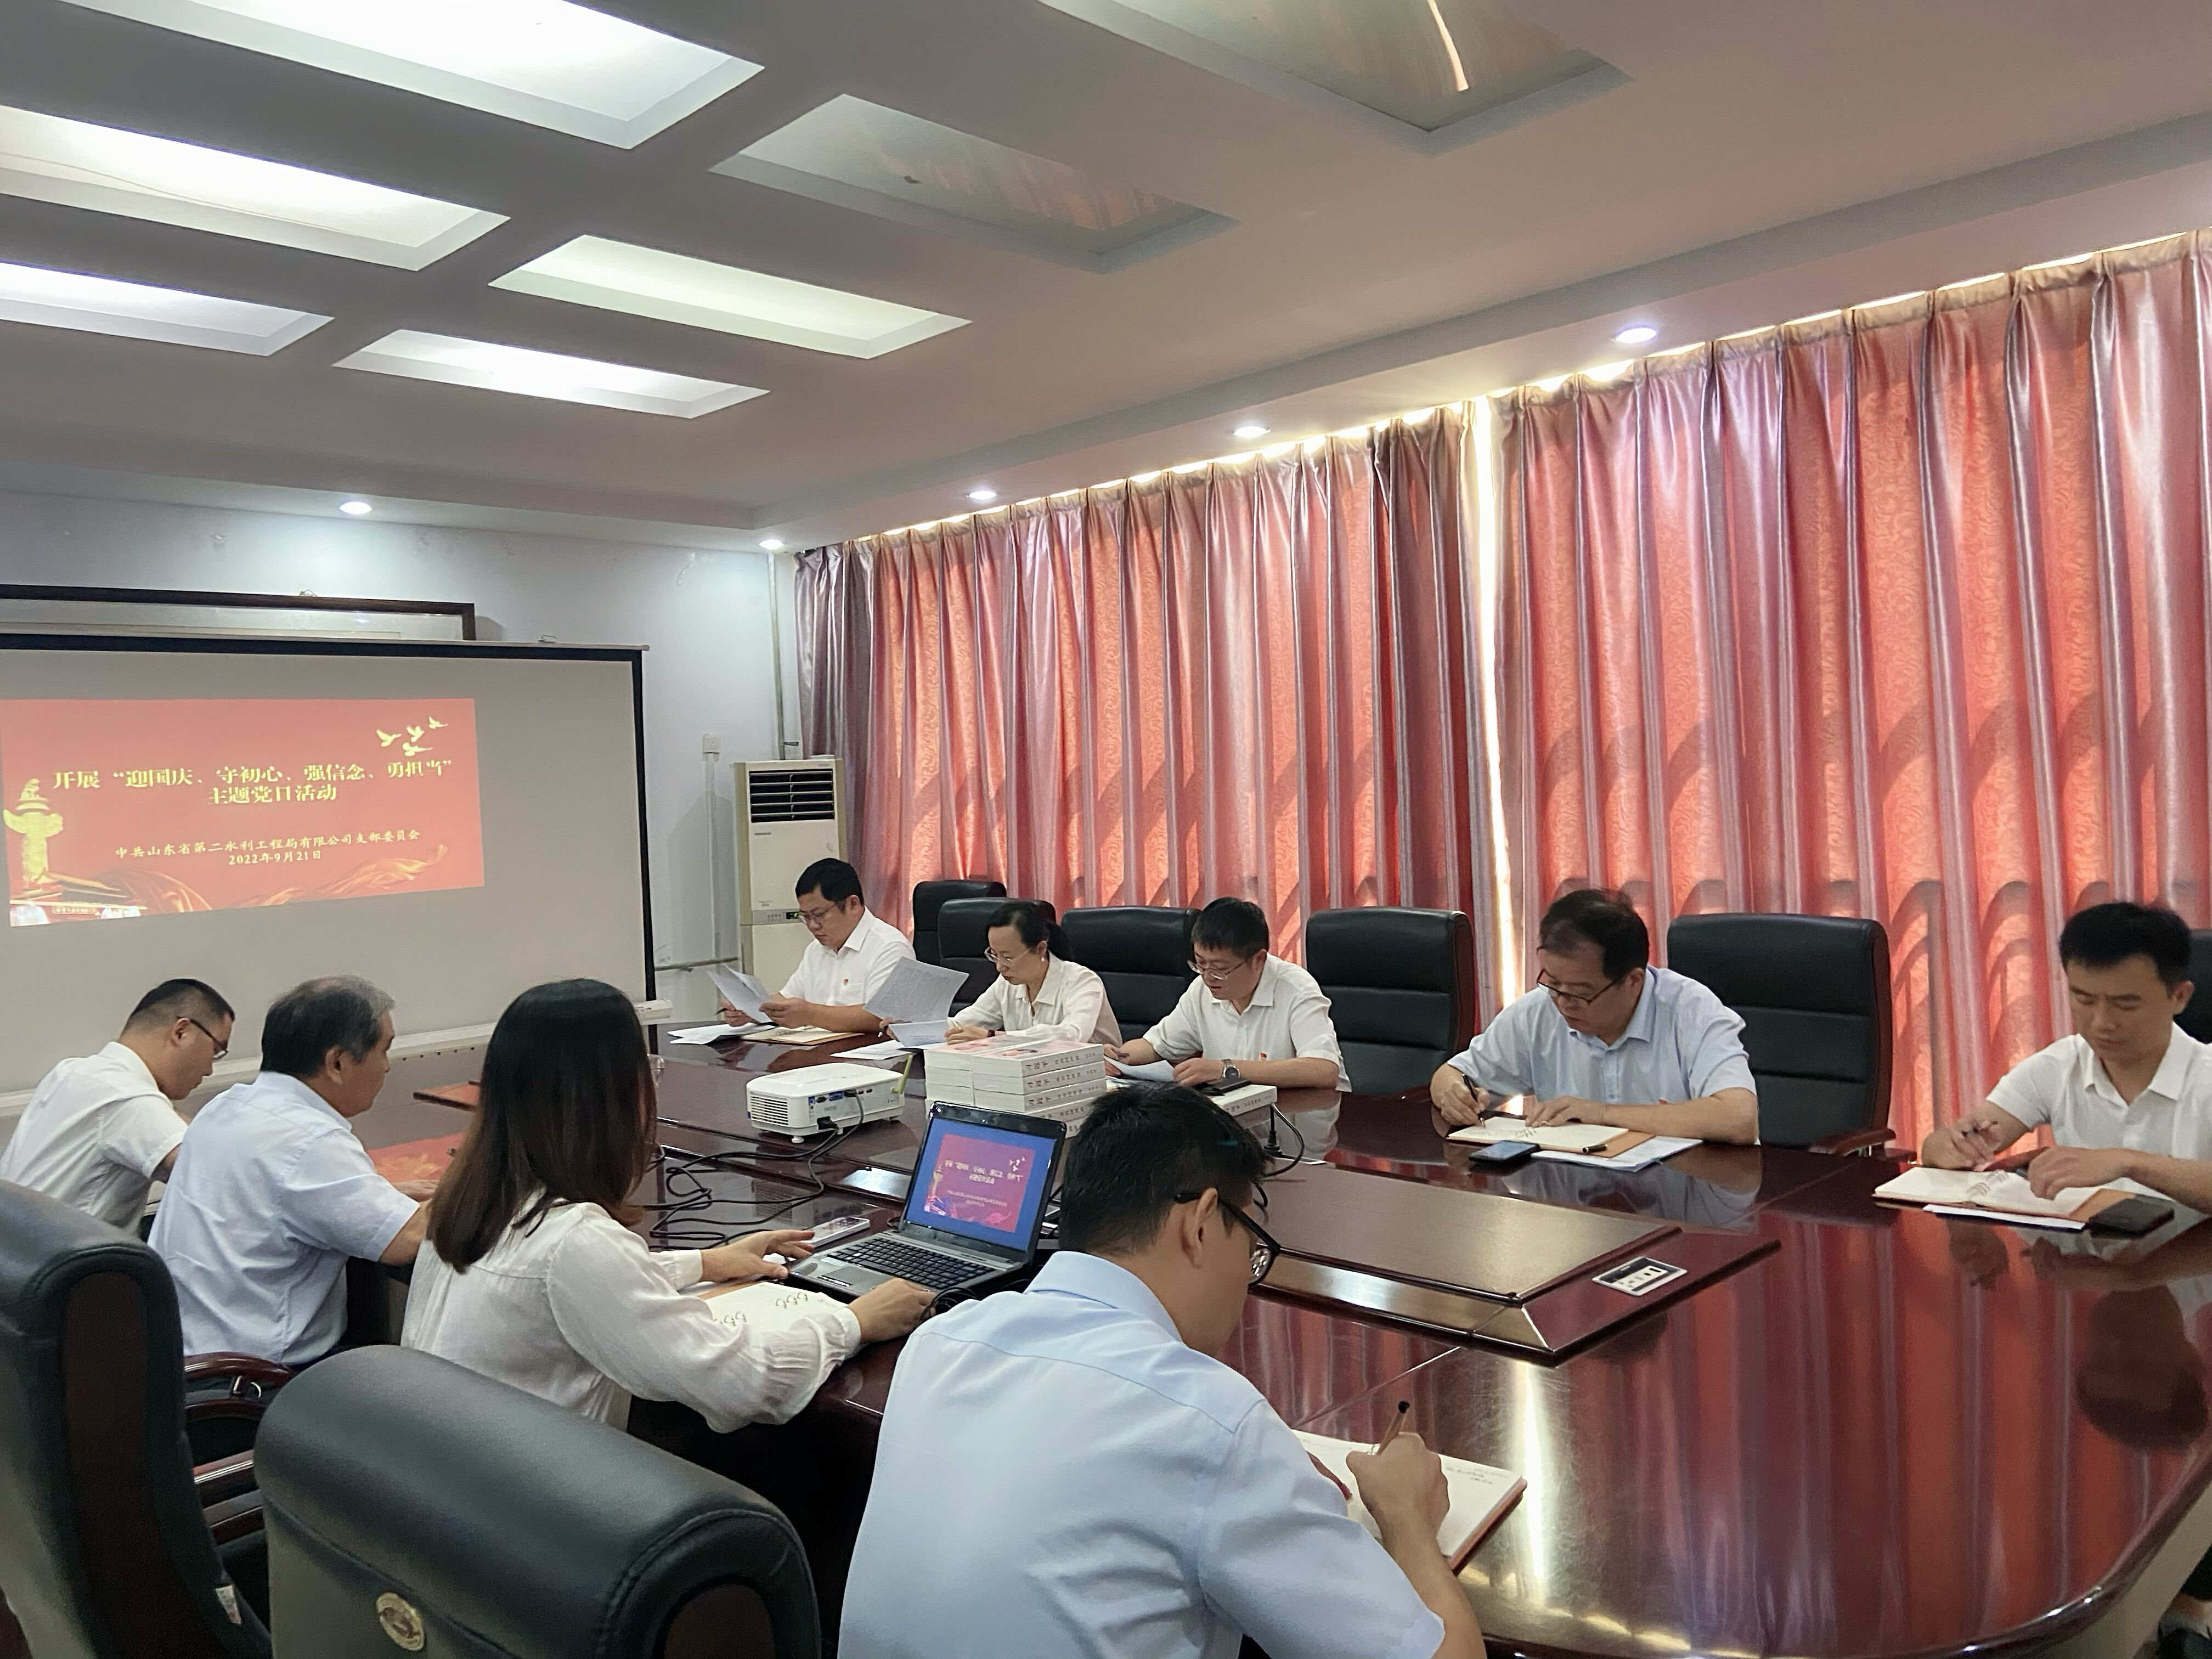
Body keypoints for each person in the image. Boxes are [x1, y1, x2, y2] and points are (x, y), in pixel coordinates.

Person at [839, 1084, 1483, 1659]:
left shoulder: (941, 1343)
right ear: (1199, 1225)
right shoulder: (1208, 1420)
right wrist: (1407, 1518)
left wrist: (1260, 1474)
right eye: (1252, 1247)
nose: (1247, 1279)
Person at [404, 978, 933, 1430]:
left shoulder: (472, 1200)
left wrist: (705, 1262)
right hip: (544, 1504)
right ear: (611, 1097)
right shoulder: (575, 1242)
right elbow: (739, 1384)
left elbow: (568, 1281)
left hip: (459, 1486)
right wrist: (855, 1322)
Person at [151, 975, 434, 1365]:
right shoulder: (311, 1139)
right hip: (259, 1377)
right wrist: (480, 1182)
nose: (386, 1067)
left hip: (177, 1352)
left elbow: (275, 1195)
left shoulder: (226, 1106)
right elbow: (407, 1239)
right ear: (337, 1063)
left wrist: (379, 1194)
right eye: (384, 1050)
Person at [1921, 901, 2212, 1211]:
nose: (2101, 1022)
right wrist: (1950, 1148)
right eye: (2084, 1000)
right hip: (2084, 1241)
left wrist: (2127, 1162)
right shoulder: (2059, 1065)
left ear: (2179, 997)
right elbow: (1956, 1141)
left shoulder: (2205, 1074)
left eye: (2125, 1004)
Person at [1429, 888, 1758, 1145]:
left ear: (1633, 981)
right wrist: (1455, 1095)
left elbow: (1738, 1119)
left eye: (1579, 992)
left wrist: (1600, 1114)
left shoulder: (1692, 1011)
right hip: (1573, 1198)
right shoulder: (1540, 1009)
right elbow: (1452, 1074)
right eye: (1553, 983)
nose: (1563, 1003)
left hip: (1682, 1193)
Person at [0, 978, 233, 1229]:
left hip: (16, 1242)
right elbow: (213, 1176)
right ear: (181, 1032)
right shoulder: (129, 1100)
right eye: (216, 1051)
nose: (209, 1070)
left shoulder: (72, 1071)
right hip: (69, 1250)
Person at [1106, 897, 1345, 1090]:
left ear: (1258, 960)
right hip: (1234, 1112)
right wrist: (1117, 1057)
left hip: (1306, 1115)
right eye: (1200, 964)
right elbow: (1156, 1046)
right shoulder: (1201, 989)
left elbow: (1323, 1070)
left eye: (1220, 969)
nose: (1208, 977)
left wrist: (1225, 1069)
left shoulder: (1296, 989)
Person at [721, 858, 913, 1035]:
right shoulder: (816, 950)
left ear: (853, 904)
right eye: (806, 917)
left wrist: (811, 1014)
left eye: (819, 915)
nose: (813, 926)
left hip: (866, 1056)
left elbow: (881, 1017)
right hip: (819, 1052)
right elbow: (786, 999)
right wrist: (751, 1009)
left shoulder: (889, 947)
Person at [944, 900, 1120, 1047]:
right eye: (994, 955)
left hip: (1099, 1073)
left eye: (1008, 958)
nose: (1000, 967)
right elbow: (965, 1023)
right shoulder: (1006, 984)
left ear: (1040, 949)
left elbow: (1072, 1035)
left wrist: (993, 1037)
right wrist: (932, 1025)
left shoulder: (1081, 980)